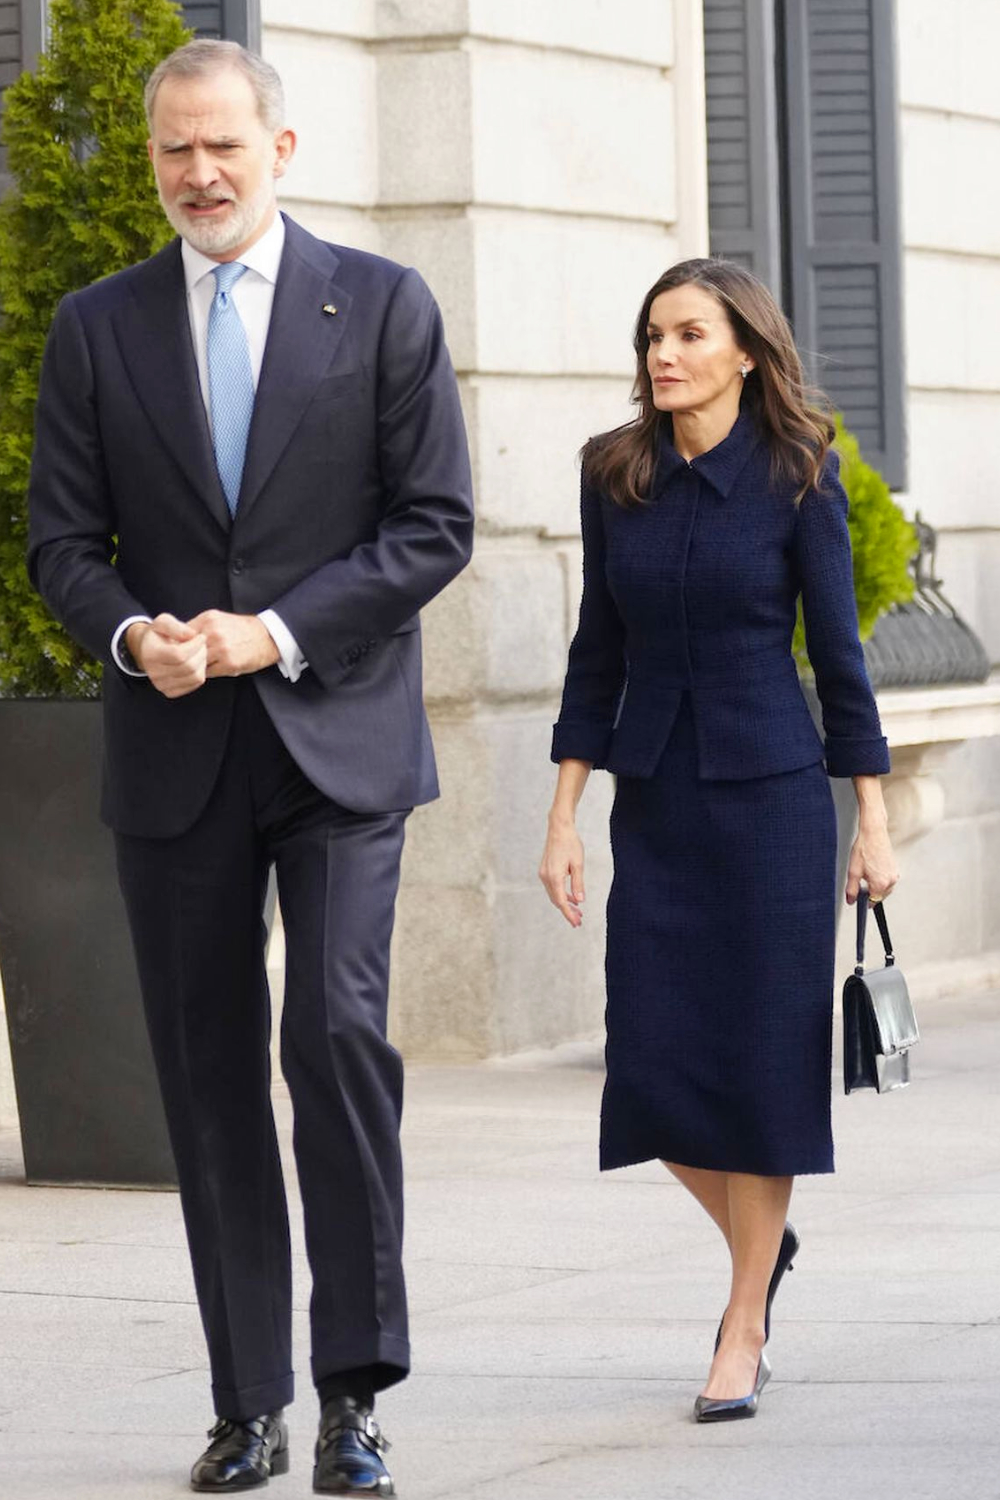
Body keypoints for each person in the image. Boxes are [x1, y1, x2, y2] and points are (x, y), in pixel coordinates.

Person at [28, 38, 473, 1496]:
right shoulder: (98, 327)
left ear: (282, 149)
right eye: (173, 153)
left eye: (223, 146)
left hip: (334, 736)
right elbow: (60, 547)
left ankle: (354, 1395)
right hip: (173, 756)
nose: (198, 175)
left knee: (333, 1043)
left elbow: (432, 528)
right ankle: (247, 1404)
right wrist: (135, 634)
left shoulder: (385, 305)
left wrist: (266, 632)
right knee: (208, 1079)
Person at [539, 258, 898, 1423]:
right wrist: (563, 815)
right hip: (658, 803)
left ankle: (743, 1321)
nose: (665, 354)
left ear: (745, 349)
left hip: (773, 803)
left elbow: (838, 659)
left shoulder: (800, 475)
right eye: (652, 334)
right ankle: (767, 1248)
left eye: (690, 333)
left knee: (762, 1065)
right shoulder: (617, 473)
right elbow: (597, 649)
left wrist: (872, 820)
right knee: (647, 1065)